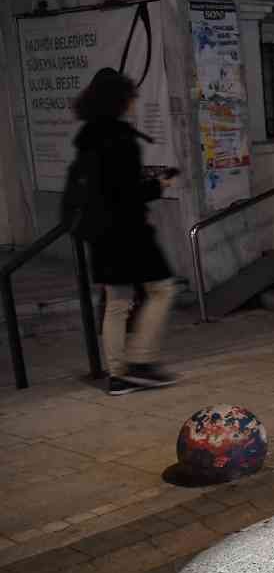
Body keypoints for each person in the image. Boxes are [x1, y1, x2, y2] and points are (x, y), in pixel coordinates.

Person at [65, 68, 181, 396]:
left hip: (101, 235)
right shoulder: (120, 139)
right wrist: (159, 185)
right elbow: (125, 193)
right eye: (131, 97)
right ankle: (142, 362)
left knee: (117, 302)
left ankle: (118, 375)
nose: (134, 103)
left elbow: (103, 189)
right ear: (119, 101)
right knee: (163, 290)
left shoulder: (88, 138)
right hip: (128, 234)